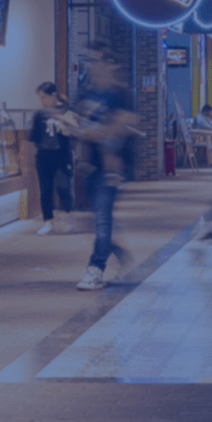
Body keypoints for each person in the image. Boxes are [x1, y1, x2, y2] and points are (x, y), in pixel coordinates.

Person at [63, 50, 135, 290]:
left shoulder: (121, 96)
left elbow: (122, 127)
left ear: (112, 66)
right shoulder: (86, 94)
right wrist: (68, 124)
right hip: (90, 167)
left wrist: (87, 132)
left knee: (102, 220)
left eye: (100, 62)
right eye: (93, 62)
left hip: (111, 168)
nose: (95, 67)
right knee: (95, 223)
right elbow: (73, 117)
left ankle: (95, 269)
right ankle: (123, 258)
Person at [29, 81, 73, 234]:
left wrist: (63, 123)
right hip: (44, 155)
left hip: (62, 155)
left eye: (44, 97)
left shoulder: (66, 111)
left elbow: (70, 132)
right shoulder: (39, 114)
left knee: (64, 186)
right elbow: (34, 137)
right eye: (40, 98)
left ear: (54, 95)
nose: (43, 100)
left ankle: (67, 214)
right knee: (45, 190)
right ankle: (48, 221)